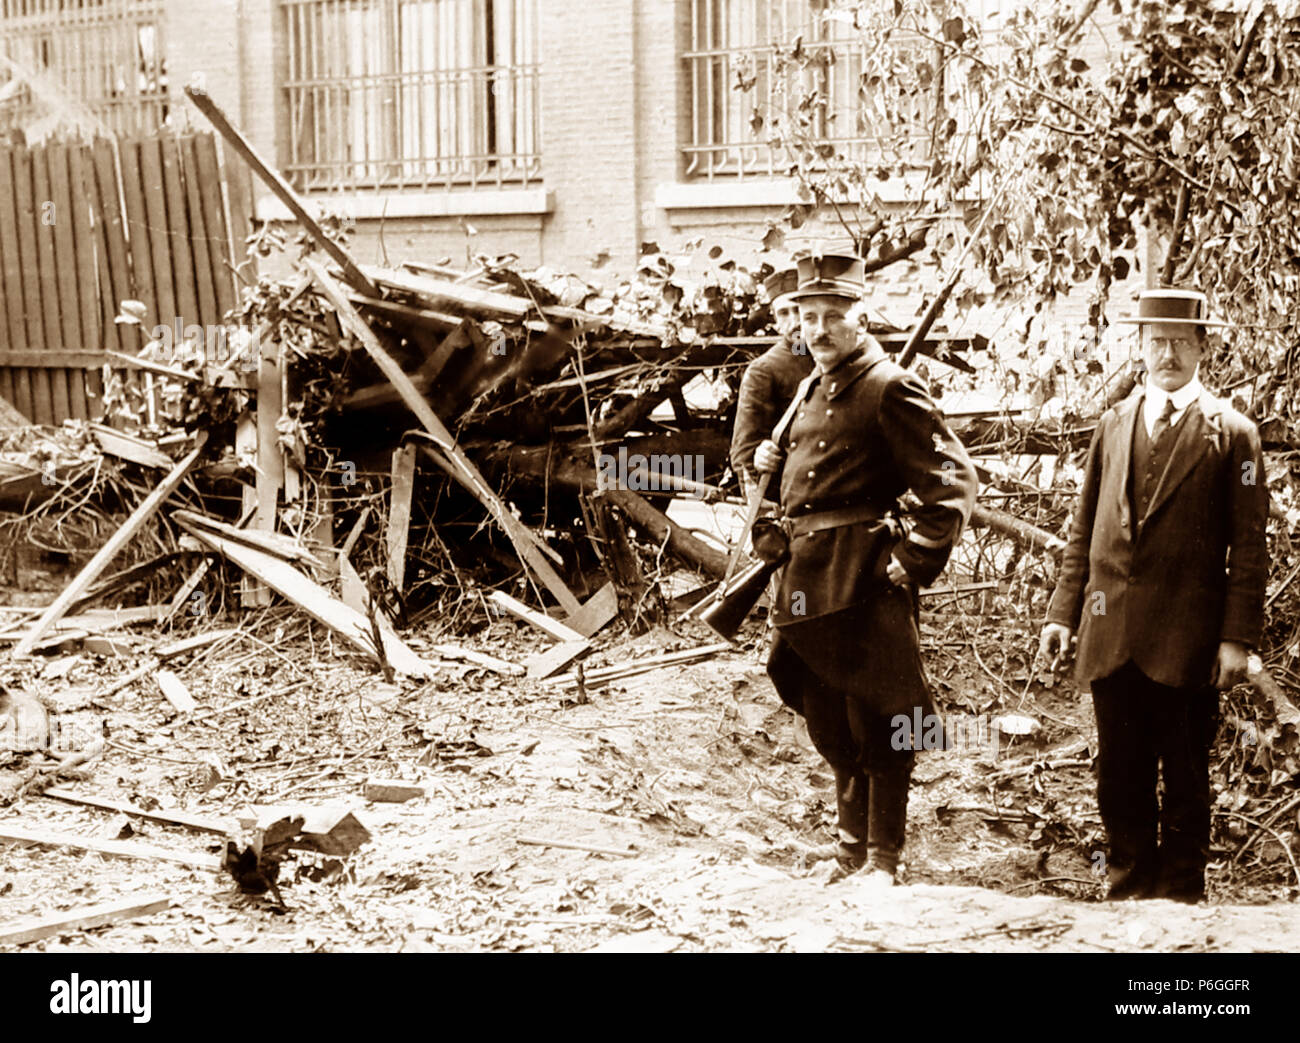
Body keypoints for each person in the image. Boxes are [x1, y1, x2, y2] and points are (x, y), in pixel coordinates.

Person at [753, 253, 978, 884]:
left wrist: (915, 559)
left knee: (883, 715)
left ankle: (882, 857)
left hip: (864, 576)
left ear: (862, 317)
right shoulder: (806, 388)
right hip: (806, 578)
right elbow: (788, 485)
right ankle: (848, 848)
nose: (819, 329)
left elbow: (953, 479)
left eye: (833, 316)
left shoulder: (888, 386)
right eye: (808, 316)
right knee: (825, 711)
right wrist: (768, 494)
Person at [1039, 287, 1269, 903]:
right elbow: (1082, 527)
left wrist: (1236, 639)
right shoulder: (1113, 424)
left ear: (1201, 348)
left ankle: (1182, 898)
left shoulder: (1236, 436)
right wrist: (1064, 612)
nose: (1167, 353)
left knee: (1188, 776)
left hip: (1188, 642)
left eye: (1179, 342)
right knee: (1120, 774)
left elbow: (1249, 548)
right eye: (1155, 341)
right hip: (1111, 632)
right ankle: (1128, 888)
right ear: (1140, 348)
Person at [730, 268, 814, 504]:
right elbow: (744, 451)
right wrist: (760, 457)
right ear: (775, 321)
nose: (795, 321)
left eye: (799, 310)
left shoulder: (827, 356)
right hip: (790, 495)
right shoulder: (765, 370)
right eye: (784, 313)